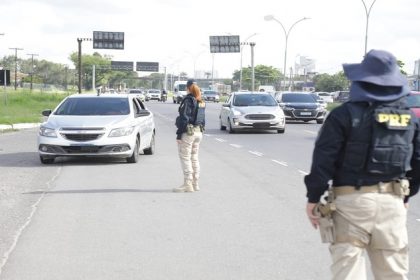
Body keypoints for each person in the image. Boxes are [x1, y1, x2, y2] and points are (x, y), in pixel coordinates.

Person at [304, 49, 420, 279]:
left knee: (348, 273)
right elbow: (418, 161)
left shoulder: (343, 115)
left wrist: (313, 199)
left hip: (351, 204)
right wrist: (406, 196)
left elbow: (323, 161)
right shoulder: (409, 119)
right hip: (393, 203)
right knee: (393, 274)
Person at [173, 79, 206, 193]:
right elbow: (203, 119)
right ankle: (195, 183)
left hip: (188, 133)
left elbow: (184, 118)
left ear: (187, 88)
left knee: (185, 157)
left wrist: (178, 135)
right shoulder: (201, 100)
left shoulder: (188, 100)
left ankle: (187, 184)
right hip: (198, 133)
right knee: (194, 158)